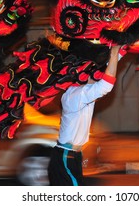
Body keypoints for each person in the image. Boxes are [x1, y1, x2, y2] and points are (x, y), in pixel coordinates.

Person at [48, 45, 125, 186]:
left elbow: (103, 71)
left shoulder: (81, 91)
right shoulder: (75, 96)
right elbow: (105, 84)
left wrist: (124, 47)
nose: (95, 74)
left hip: (73, 156)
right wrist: (114, 52)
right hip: (65, 157)